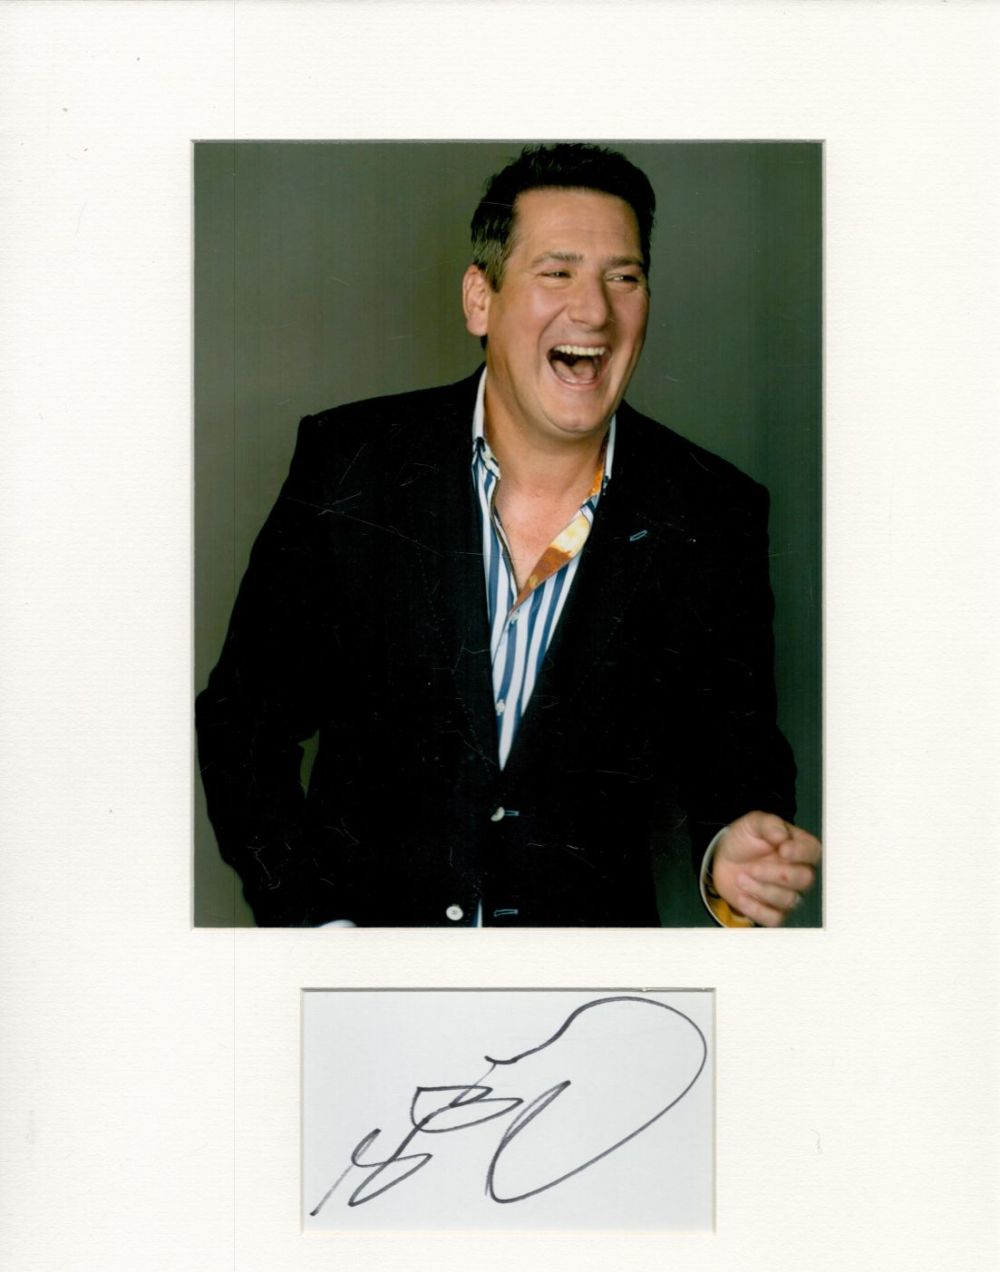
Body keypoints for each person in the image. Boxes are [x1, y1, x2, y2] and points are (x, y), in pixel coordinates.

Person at [196, 143, 821, 929]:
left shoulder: (713, 510)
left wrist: (733, 849)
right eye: (557, 272)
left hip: (584, 986)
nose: (593, 311)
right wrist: (319, 933)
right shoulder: (351, 464)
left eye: (624, 278)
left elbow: (736, 752)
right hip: (365, 972)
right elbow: (244, 725)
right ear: (480, 299)